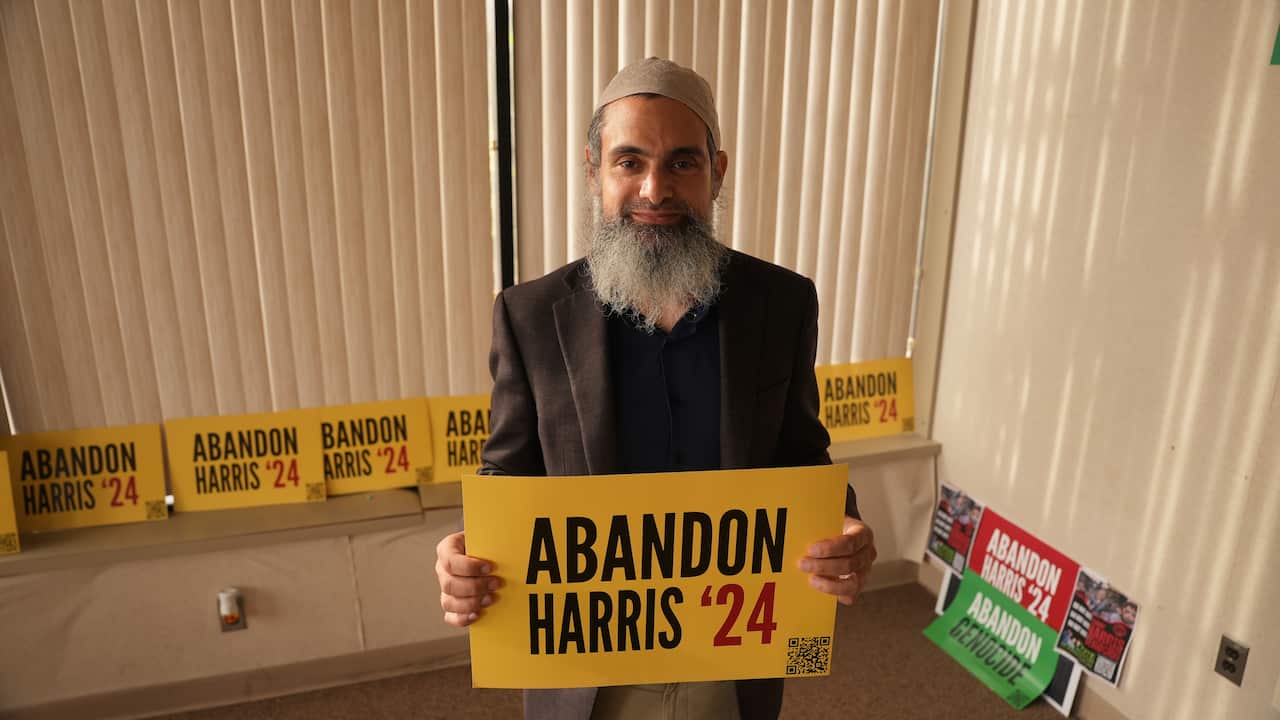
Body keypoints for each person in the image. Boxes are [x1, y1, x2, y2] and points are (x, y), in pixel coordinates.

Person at [434, 57, 877, 720]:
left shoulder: (783, 303)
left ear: (716, 173)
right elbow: (508, 474)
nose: (654, 189)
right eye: (630, 161)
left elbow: (801, 453)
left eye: (681, 163)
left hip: (732, 667)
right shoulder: (529, 316)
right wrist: (464, 551)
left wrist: (844, 526)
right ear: (595, 171)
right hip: (588, 678)